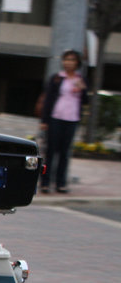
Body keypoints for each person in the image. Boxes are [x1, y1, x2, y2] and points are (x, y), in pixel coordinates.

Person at [39, 49, 88, 194]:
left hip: (72, 118)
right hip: (56, 117)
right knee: (50, 151)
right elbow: (48, 99)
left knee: (64, 153)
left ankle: (61, 183)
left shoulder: (80, 79)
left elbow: (85, 101)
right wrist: (44, 120)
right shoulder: (57, 78)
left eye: (72, 60)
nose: (68, 62)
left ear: (77, 63)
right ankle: (45, 183)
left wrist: (83, 89)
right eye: (66, 59)